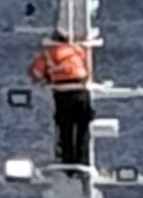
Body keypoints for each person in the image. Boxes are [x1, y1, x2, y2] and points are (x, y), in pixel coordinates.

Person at [28, 31, 95, 167]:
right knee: (83, 127)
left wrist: (43, 78)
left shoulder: (48, 54)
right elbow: (86, 68)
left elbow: (36, 72)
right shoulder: (77, 50)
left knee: (66, 128)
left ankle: (67, 160)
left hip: (63, 92)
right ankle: (83, 160)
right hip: (81, 90)